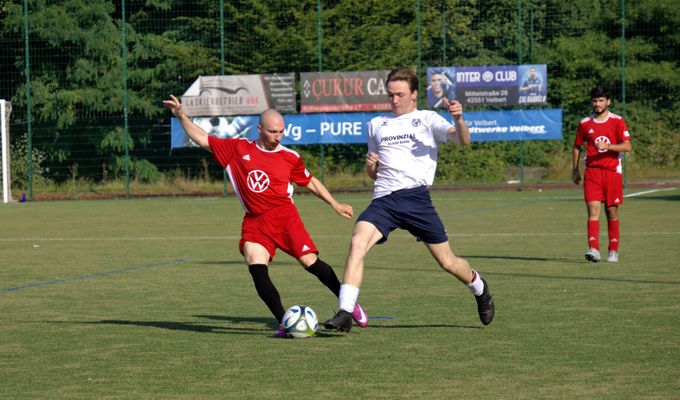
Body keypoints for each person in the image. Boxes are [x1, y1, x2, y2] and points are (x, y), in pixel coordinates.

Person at [162, 95, 369, 336]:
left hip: (285, 218)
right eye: (272, 132)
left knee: (310, 263)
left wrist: (334, 203)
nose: (278, 137)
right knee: (255, 264)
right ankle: (285, 322)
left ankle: (348, 304)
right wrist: (181, 115)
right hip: (255, 221)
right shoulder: (237, 149)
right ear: (259, 129)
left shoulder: (289, 157)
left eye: (281, 132)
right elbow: (201, 138)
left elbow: (310, 181)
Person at [323, 67, 495, 332]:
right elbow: (372, 173)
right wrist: (371, 165)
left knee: (447, 263)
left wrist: (459, 120)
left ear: (414, 94)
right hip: (384, 200)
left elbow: (463, 141)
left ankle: (479, 287)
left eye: (399, 95)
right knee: (357, 242)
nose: (394, 100)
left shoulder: (427, 119)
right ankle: (346, 312)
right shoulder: (376, 124)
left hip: (416, 200)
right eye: (390, 95)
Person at [572, 87, 632, 263]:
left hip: (612, 172)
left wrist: (610, 147)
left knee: (611, 212)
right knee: (593, 210)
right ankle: (594, 249)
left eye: (601, 100)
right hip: (592, 172)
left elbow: (627, 146)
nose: (597, 104)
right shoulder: (585, 123)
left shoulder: (617, 121)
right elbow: (577, 146)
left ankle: (613, 250)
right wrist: (575, 169)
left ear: (608, 102)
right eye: (595, 101)